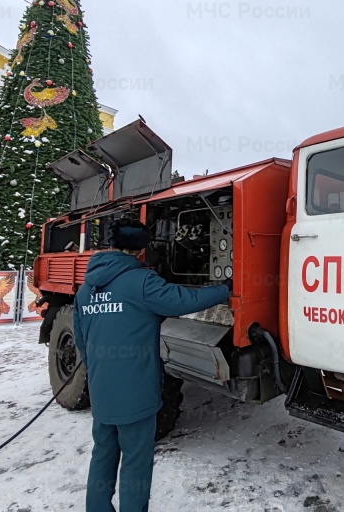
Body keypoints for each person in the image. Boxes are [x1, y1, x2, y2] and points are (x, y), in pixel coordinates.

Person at [73, 219, 230, 512]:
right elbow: (183, 300)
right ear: (141, 250)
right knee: (136, 460)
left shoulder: (85, 291)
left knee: (103, 454)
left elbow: (83, 343)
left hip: (101, 392)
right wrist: (223, 290)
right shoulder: (141, 282)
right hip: (135, 394)